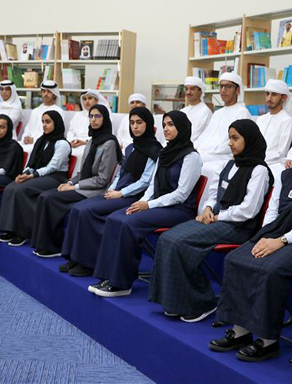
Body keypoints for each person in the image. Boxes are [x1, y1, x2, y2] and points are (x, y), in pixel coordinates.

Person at [209, 121, 292, 363]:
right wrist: (266, 235)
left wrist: (281, 240)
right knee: (236, 258)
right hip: (279, 234)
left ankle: (268, 340)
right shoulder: (287, 175)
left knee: (269, 268)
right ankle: (241, 331)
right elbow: (273, 210)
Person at [148, 119, 273, 322]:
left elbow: (248, 210)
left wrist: (217, 216)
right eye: (229, 138)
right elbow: (214, 194)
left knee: (180, 243)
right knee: (168, 238)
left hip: (238, 226)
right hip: (216, 219)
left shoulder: (259, 171)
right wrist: (207, 208)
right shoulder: (227, 164)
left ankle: (200, 303)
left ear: (249, 140)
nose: (230, 143)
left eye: (235, 138)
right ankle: (173, 301)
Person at [90, 110, 203, 297]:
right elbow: (153, 185)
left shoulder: (191, 157)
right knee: (115, 218)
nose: (166, 128)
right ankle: (108, 275)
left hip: (179, 209)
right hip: (158, 204)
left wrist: (149, 205)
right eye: (165, 124)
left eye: (171, 125)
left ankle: (121, 283)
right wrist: (142, 202)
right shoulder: (165, 153)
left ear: (182, 128)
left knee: (128, 224)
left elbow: (181, 194)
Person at [61, 107, 162, 276]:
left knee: (89, 212)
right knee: (78, 208)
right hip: (117, 192)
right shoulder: (131, 148)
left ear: (148, 124)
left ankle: (88, 264)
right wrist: (113, 188)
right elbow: (121, 173)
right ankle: (75, 258)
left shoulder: (154, 150)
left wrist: (121, 193)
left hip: (132, 196)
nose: (135, 127)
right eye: (132, 123)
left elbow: (145, 181)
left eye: (139, 122)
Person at [32, 104, 121, 257]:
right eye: (91, 116)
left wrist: (76, 187)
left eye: (98, 116)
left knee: (51, 199)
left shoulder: (110, 143)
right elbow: (82, 172)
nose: (93, 119)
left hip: (95, 190)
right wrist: (70, 182)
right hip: (83, 185)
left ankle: (55, 246)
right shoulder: (92, 141)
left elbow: (102, 179)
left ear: (105, 119)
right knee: (45, 196)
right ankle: (44, 243)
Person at [0, 110, 71, 246]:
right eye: (43, 122)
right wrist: (24, 174)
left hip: (55, 178)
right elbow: (32, 163)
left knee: (22, 190)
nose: (44, 125)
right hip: (38, 176)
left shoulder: (63, 144)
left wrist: (31, 176)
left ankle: (23, 232)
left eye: (48, 122)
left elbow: (52, 167)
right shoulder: (41, 140)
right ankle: (10, 229)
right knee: (11, 187)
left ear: (57, 123)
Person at [196, 72, 251, 178]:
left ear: (237, 90)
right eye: (221, 86)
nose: (223, 90)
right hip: (208, 153)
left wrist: (209, 151)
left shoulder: (242, 112)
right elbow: (205, 136)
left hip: (224, 156)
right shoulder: (217, 113)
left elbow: (235, 142)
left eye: (228, 86)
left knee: (194, 163)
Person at [255, 79, 292, 178]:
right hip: (255, 161)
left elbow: (281, 153)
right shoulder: (260, 119)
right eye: (267, 94)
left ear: (283, 97)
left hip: (274, 164)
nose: (269, 98)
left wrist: (258, 159)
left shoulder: (286, 120)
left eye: (274, 94)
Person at [67, 89, 111, 162]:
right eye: (84, 99)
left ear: (97, 100)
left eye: (90, 98)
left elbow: (104, 134)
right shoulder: (77, 115)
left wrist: (84, 142)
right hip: (74, 144)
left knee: (82, 153)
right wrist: (71, 141)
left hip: (91, 144)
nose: (87, 101)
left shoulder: (103, 115)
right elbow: (70, 132)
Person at [20, 80, 64, 153]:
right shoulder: (35, 111)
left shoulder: (59, 111)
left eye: (49, 92)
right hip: (29, 143)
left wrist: (34, 140)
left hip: (46, 145)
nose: (45, 94)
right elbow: (28, 128)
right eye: (43, 91)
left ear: (55, 94)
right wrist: (26, 137)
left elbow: (56, 133)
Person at [182, 76, 212, 144]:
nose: (188, 92)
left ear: (200, 91)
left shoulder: (205, 112)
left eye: (192, 89)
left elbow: (196, 136)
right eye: (186, 89)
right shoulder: (183, 111)